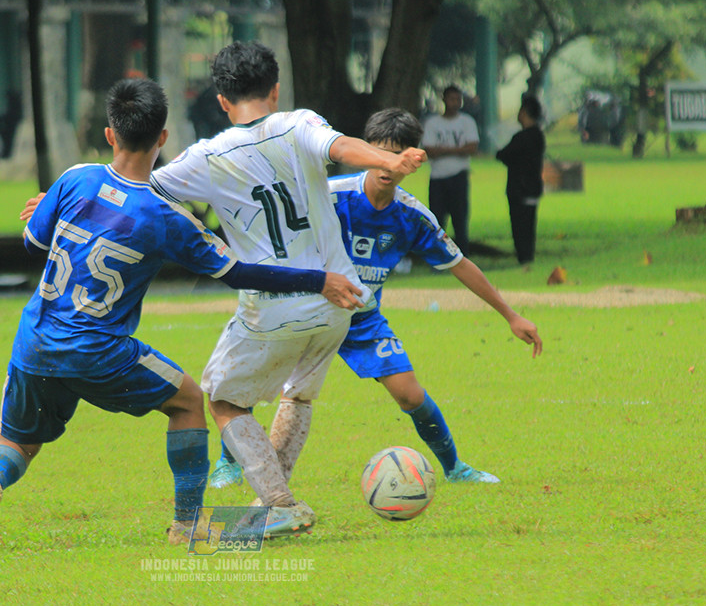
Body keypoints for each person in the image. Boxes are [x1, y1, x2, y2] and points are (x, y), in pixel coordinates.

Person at [0, 78, 365, 555]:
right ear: (162, 138)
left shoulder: (76, 178)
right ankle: (188, 525)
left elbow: (33, 241)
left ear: (110, 134)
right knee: (188, 402)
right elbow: (237, 272)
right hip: (97, 349)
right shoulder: (165, 217)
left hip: (35, 339)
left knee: (17, 441)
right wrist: (317, 280)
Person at [149, 41, 426, 537]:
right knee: (296, 397)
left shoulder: (207, 156)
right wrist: (390, 163)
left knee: (225, 403)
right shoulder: (299, 123)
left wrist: (71, 196)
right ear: (275, 90)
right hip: (339, 300)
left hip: (272, 307)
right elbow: (343, 148)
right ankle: (270, 502)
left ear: (221, 100)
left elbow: (140, 192)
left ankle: (278, 502)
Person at [209, 108, 543, 489]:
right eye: (380, 151)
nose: (388, 164)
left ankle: (454, 468)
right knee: (258, 376)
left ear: (414, 158)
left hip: (362, 318)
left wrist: (511, 315)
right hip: (306, 306)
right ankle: (227, 462)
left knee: (409, 394)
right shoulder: (331, 196)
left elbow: (460, 265)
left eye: (398, 154)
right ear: (366, 150)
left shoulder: (411, 216)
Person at [421, 85, 479, 257]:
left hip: (459, 176)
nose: (455, 103)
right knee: (437, 220)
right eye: (452, 99)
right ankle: (438, 257)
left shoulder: (467, 122)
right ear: (444, 100)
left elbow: (472, 147)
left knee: (460, 219)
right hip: (438, 178)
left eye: (458, 99)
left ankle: (462, 257)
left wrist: (443, 151)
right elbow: (429, 150)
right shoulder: (433, 123)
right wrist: (457, 150)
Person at [496, 96, 546, 268]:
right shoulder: (539, 136)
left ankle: (523, 257)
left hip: (519, 187)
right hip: (533, 186)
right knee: (530, 224)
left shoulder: (521, 137)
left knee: (519, 224)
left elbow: (504, 155)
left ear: (524, 113)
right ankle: (528, 255)